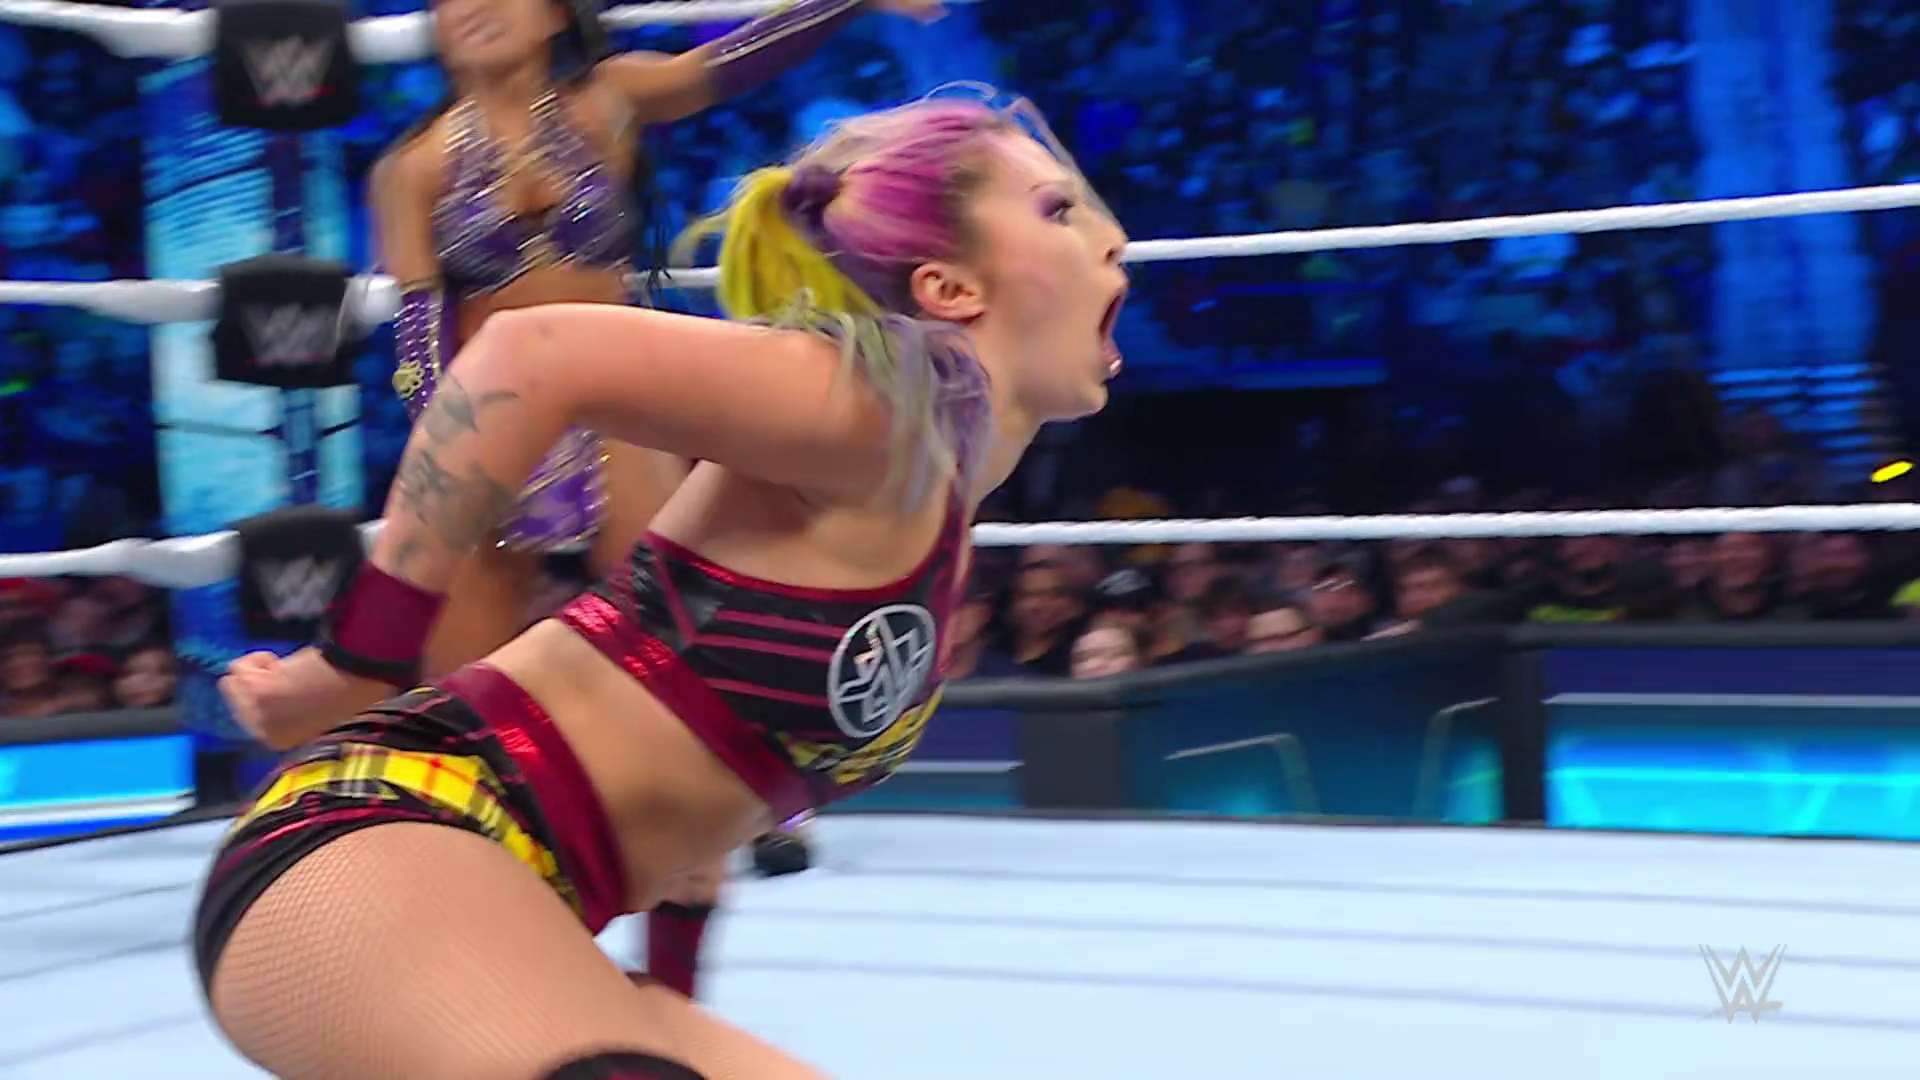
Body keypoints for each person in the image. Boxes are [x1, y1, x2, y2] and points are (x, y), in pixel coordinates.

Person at [199, 88, 1129, 1080]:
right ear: (949, 288)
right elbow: (530, 353)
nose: (1114, 242)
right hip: (380, 832)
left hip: (512, 903)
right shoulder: (874, 409)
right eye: (1058, 211)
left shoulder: (927, 494)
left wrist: (664, 1011)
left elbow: (697, 796)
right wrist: (356, 662)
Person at [376, 0, 945, 996]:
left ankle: (676, 990)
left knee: (692, 671)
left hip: (622, 412)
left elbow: (734, 60)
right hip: (497, 422)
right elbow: (419, 347)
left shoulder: (608, 100)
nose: (473, 8)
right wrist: (467, 456)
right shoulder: (412, 167)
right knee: (458, 709)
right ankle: (506, 974)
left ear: (554, 11)